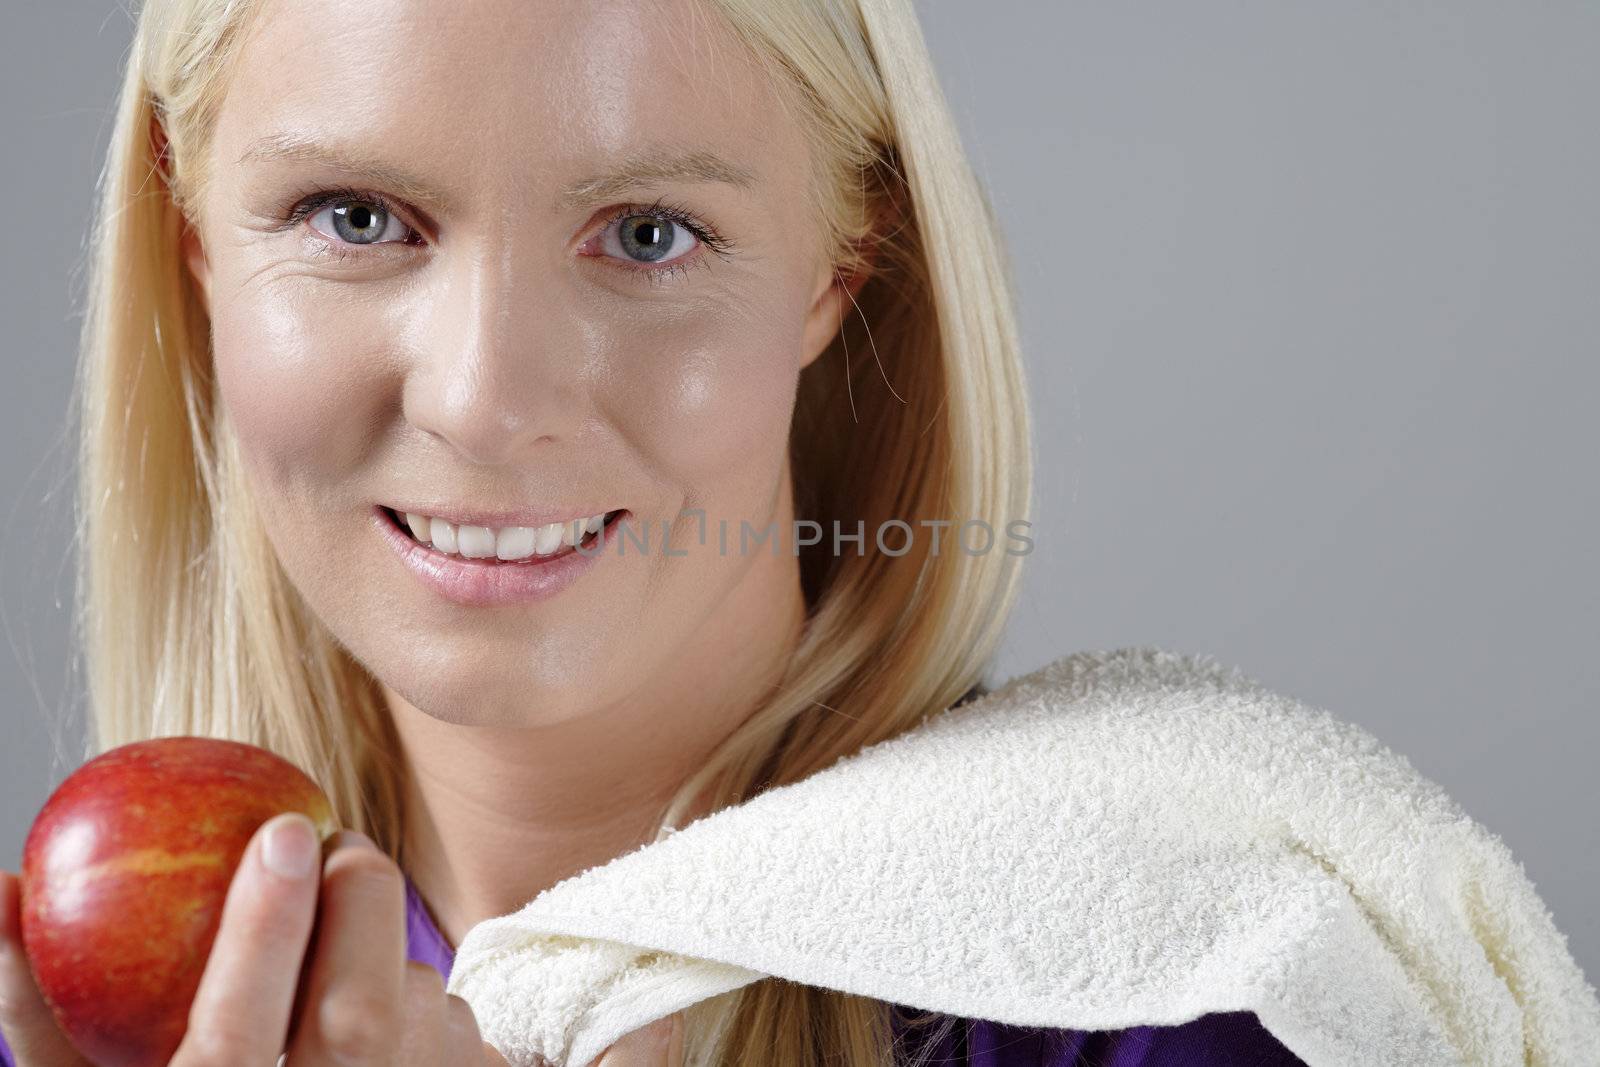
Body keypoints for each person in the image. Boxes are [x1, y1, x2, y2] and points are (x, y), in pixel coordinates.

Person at [0, 0, 1312, 1063]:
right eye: (356, 218)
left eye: (647, 234)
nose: (483, 401)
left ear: (839, 272)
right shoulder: (86, 1035)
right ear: (195, 245)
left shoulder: (1172, 1010)